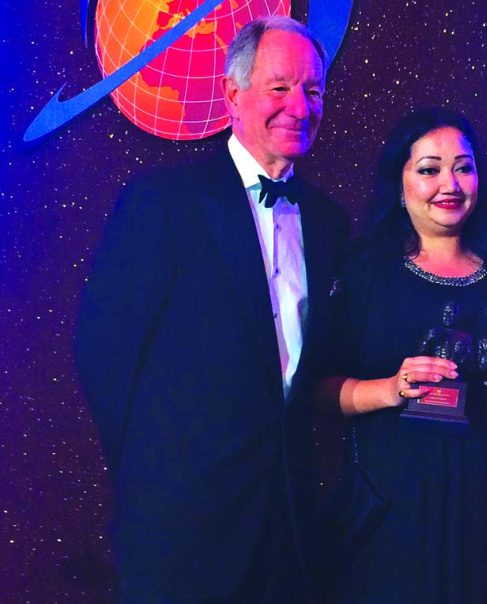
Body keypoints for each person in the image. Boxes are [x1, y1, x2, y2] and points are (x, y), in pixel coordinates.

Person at [74, 16, 348, 602]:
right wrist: (160, 478)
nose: (299, 106)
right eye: (280, 87)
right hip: (181, 534)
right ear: (233, 94)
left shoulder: (327, 223)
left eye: (313, 90)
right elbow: (104, 356)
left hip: (288, 538)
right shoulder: (162, 204)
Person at [319, 107, 487, 604]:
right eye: (429, 169)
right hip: (391, 514)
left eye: (463, 167)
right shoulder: (364, 274)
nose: (449, 182)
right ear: (399, 183)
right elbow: (317, 391)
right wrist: (389, 388)